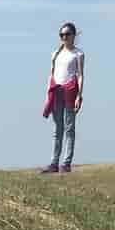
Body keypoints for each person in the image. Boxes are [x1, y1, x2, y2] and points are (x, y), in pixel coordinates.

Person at [41, 22, 84, 173]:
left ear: (73, 36)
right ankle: (54, 163)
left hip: (70, 90)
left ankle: (66, 163)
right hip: (56, 91)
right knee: (57, 129)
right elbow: (51, 74)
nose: (64, 37)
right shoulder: (55, 54)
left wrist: (79, 95)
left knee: (69, 128)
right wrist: (48, 94)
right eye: (62, 35)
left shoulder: (78, 54)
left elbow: (80, 75)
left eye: (67, 34)